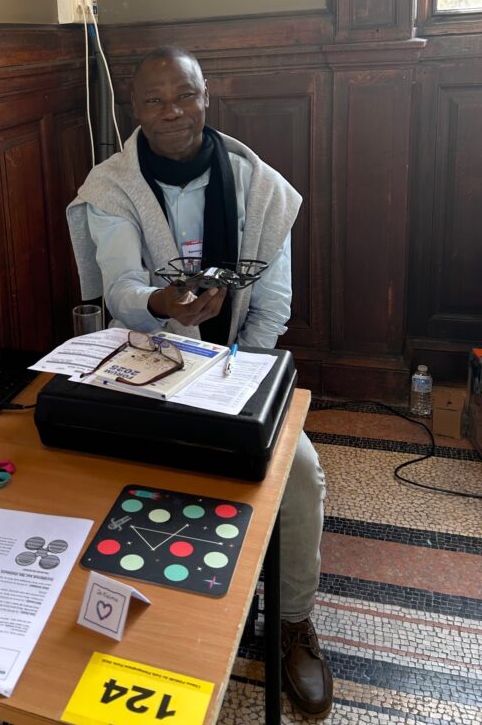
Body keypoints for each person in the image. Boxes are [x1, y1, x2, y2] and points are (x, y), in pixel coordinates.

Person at [67, 47, 333, 718]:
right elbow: (121, 289)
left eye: (184, 95)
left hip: (238, 360)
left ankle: (293, 621)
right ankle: (117, 609)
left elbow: (272, 304)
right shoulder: (111, 187)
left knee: (301, 474)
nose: (172, 113)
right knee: (82, 457)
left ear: (206, 94)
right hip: (144, 354)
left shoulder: (259, 186)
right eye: (154, 100)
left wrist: (236, 373)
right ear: (134, 109)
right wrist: (163, 305)